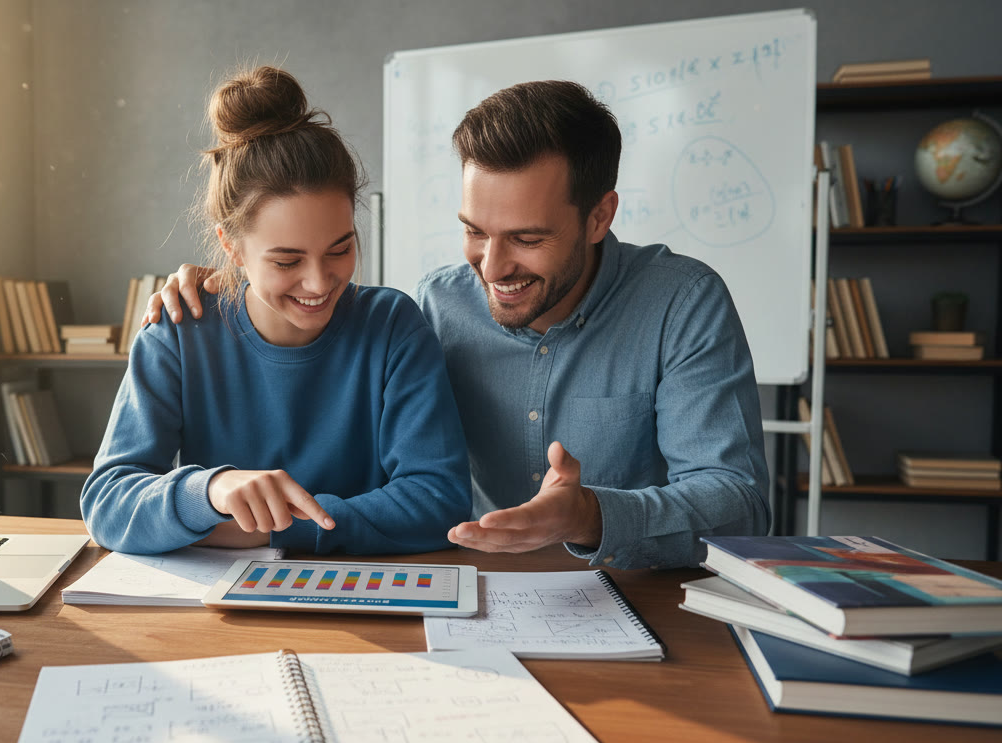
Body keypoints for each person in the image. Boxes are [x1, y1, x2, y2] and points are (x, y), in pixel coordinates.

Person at [145, 80, 770, 570]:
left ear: (600, 216)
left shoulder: (682, 303)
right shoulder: (439, 305)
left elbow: (739, 506)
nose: (492, 268)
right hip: (471, 588)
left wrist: (590, 516)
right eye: (475, 232)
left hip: (640, 593)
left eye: (527, 238)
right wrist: (231, 277)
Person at [81, 66, 471, 556]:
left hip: (358, 600)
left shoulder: (391, 326)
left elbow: (439, 501)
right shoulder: (179, 332)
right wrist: (210, 490)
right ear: (232, 247)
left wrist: (276, 529)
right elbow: (106, 502)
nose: (318, 282)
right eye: (287, 260)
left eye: (340, 249)